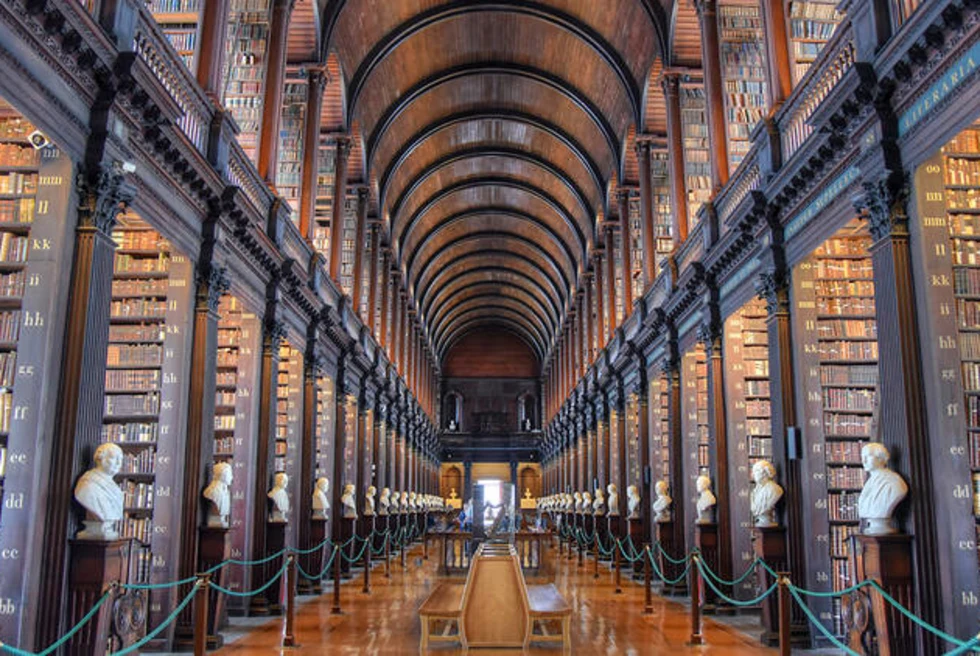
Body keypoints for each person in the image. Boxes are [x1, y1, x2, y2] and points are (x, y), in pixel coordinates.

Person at [74, 443, 125, 539]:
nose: (119, 463)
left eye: (121, 459)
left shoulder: (115, 488)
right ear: (100, 459)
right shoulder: (88, 484)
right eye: (114, 458)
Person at [857, 442, 908, 535]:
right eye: (862, 456)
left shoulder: (893, 482)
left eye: (868, 456)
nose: (863, 460)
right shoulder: (869, 483)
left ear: (880, 458)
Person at [750, 460, 783, 527]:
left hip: (767, 522)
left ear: (765, 472)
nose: (753, 474)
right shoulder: (756, 490)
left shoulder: (774, 489)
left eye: (756, 471)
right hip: (761, 522)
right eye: (753, 471)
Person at [203, 462, 233, 527]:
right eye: (229, 474)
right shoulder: (212, 491)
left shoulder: (225, 491)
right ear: (222, 475)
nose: (231, 477)